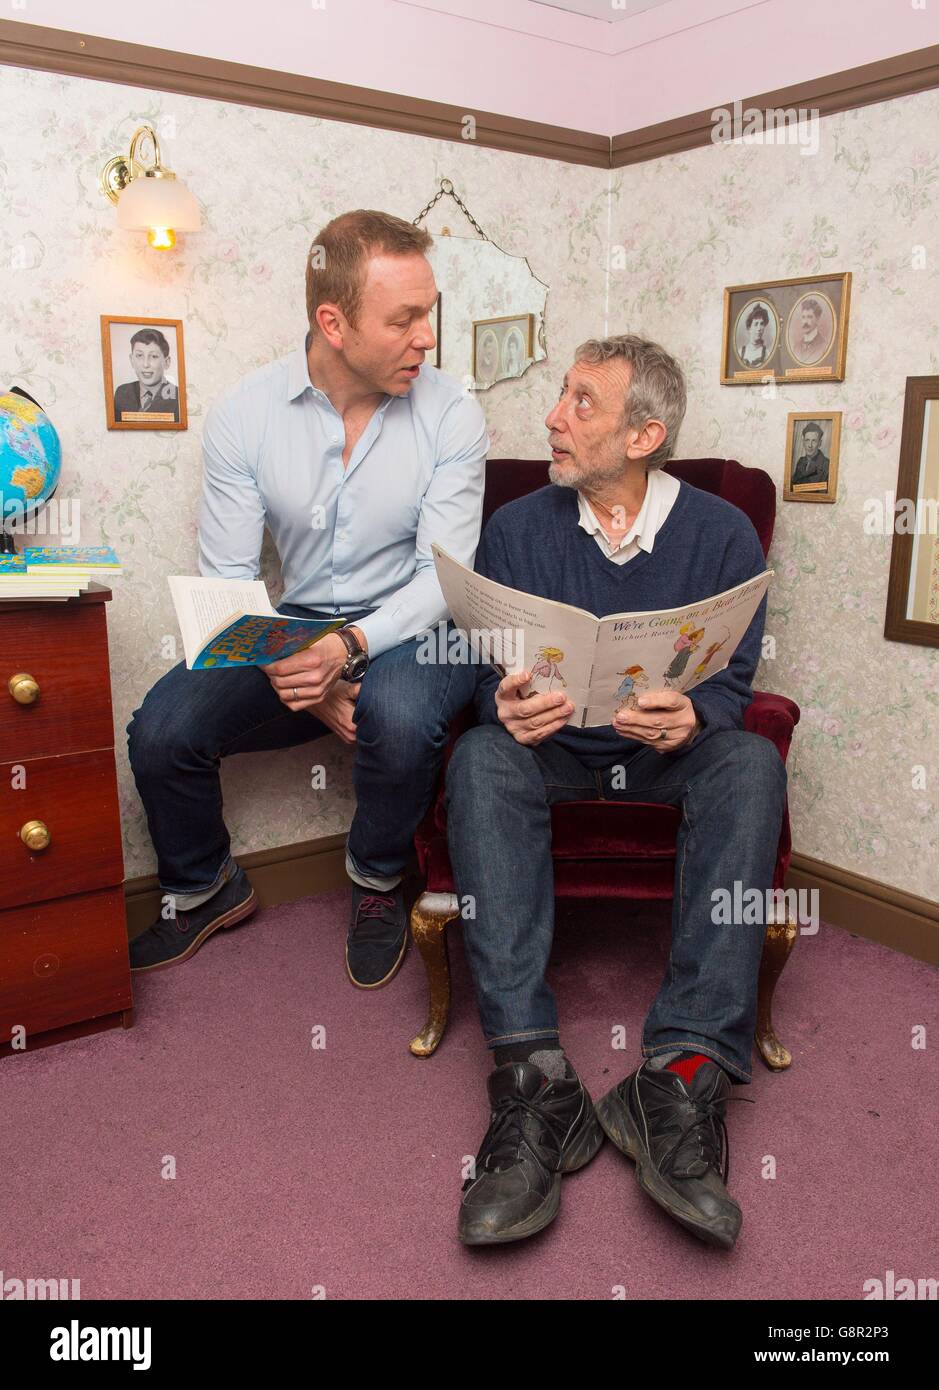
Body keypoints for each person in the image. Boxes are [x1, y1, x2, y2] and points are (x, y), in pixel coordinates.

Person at [446, 333, 787, 1251]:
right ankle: (534, 1082)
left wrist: (699, 717)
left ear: (645, 434)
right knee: (479, 755)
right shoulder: (519, 527)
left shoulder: (719, 531)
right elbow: (487, 670)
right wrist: (504, 701)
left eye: (581, 403)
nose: (553, 418)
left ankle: (678, 1076)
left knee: (750, 763)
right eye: (560, 396)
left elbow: (732, 676)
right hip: (555, 748)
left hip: (661, 750)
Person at [126, 209, 488, 988]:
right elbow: (227, 582)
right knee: (160, 732)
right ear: (333, 321)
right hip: (294, 626)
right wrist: (311, 681)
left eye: (430, 313)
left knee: (394, 714)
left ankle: (375, 881)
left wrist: (348, 653)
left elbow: (444, 575)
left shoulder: (453, 413)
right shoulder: (245, 417)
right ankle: (206, 887)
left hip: (418, 623)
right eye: (405, 319)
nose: (427, 337)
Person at [114, 328, 180, 421]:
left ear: (166, 362)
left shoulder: (179, 398)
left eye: (154, 356)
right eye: (139, 356)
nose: (145, 364)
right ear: (131, 360)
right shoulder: (122, 392)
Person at [789, 297, 828, 364]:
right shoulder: (796, 347)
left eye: (809, 317)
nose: (805, 322)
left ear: (817, 319)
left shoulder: (824, 346)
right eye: (803, 317)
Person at [791, 421, 830, 486]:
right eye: (807, 440)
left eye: (814, 441)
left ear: (819, 443)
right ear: (803, 442)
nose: (810, 445)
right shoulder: (801, 461)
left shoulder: (826, 464)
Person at [738, 302, 772, 368]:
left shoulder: (767, 354)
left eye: (762, 324)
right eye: (756, 324)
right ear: (749, 328)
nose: (759, 328)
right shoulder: (740, 353)